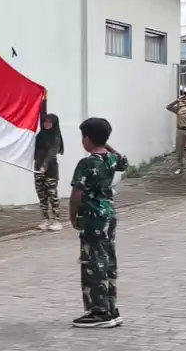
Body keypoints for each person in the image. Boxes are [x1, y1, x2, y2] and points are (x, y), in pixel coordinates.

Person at [69, 117, 128, 329]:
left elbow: (77, 192)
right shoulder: (110, 159)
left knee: (93, 263)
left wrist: (72, 215)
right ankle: (111, 308)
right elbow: (122, 160)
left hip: (92, 217)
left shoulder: (87, 163)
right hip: (108, 215)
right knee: (108, 260)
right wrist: (105, 143)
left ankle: (99, 311)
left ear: (87, 138)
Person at [34, 112, 65, 231]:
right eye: (45, 121)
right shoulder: (40, 135)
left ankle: (56, 220)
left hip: (50, 170)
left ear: (54, 124)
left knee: (52, 195)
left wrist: (44, 166)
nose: (46, 124)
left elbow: (52, 153)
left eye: (49, 122)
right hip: (37, 169)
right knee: (42, 195)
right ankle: (45, 219)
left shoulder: (56, 137)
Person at [165, 93, 186, 176]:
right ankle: (179, 167)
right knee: (179, 150)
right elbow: (168, 107)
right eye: (185, 99)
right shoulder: (179, 108)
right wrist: (177, 101)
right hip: (180, 130)